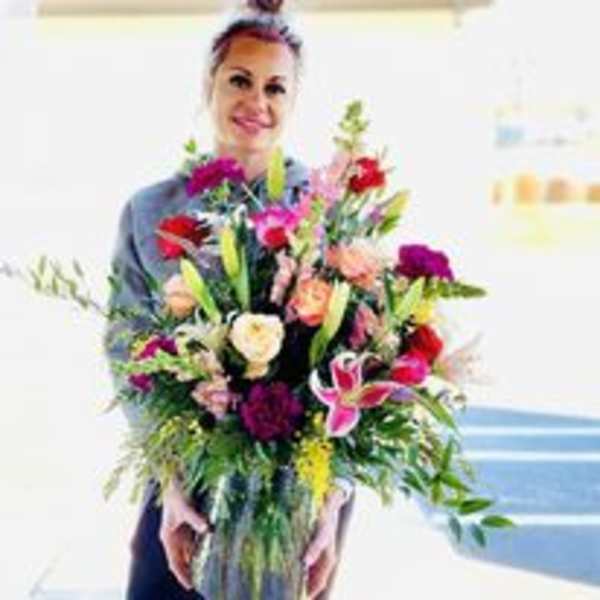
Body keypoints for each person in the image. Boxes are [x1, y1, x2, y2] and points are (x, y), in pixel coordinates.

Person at [103, 1, 355, 598]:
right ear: (208, 84)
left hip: (300, 493)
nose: (256, 102)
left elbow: (362, 362)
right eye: (240, 80)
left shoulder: (326, 210)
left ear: (294, 99)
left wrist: (332, 500)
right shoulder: (149, 210)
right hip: (183, 479)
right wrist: (169, 481)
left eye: (275, 87)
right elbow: (126, 349)